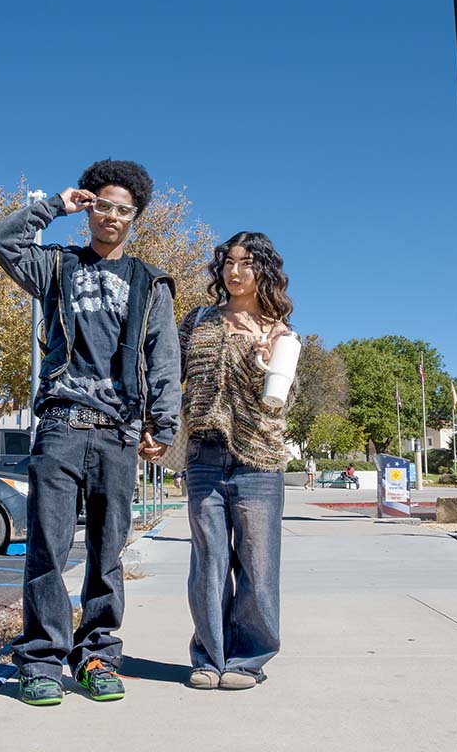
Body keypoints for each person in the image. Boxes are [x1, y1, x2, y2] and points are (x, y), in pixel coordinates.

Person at [0, 159, 180, 706]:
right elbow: (1, 242)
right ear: (89, 208)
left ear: (134, 216)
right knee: (47, 547)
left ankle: (96, 654)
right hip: (62, 425)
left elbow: (163, 358)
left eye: (124, 209)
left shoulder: (149, 282)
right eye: (103, 206)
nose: (112, 217)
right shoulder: (58, 267)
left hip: (119, 432)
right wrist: (54, 205)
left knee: (108, 550)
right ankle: (43, 660)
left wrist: (162, 424)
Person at [179, 231, 293, 690]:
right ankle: (209, 656)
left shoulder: (280, 332)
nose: (235, 271)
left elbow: (282, 402)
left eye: (246, 263)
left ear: (263, 269)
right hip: (205, 454)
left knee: (257, 565)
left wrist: (267, 364)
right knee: (207, 563)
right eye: (228, 262)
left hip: (260, 461)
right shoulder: (199, 321)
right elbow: (169, 375)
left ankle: (247, 659)